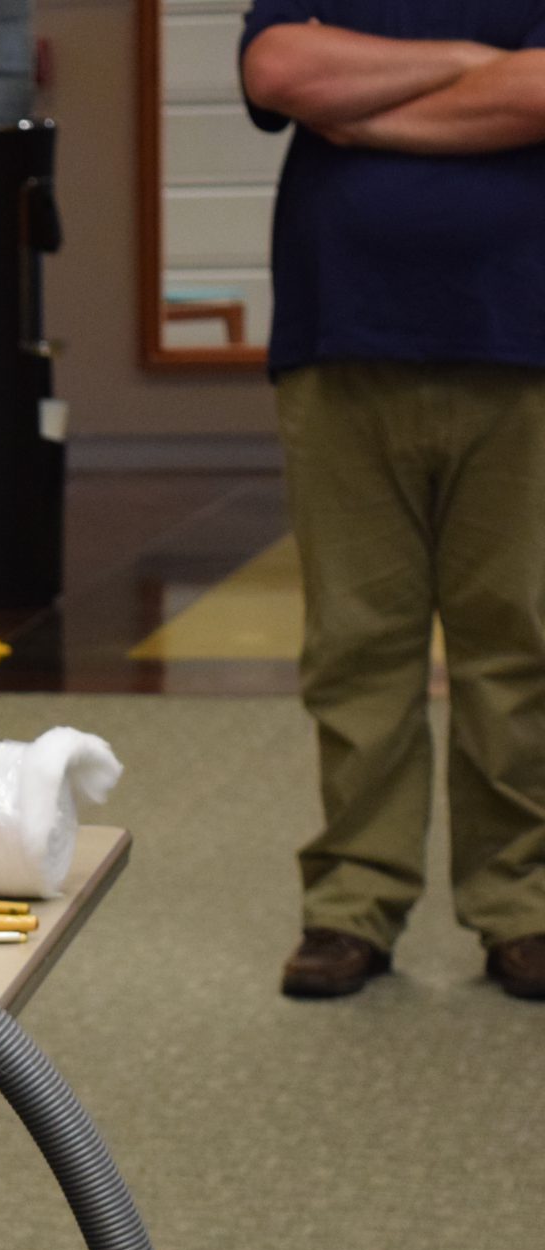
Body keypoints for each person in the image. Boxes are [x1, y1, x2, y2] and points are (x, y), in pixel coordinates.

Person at [240, 3, 545, 1000]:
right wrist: (471, 64)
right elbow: (283, 72)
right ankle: (350, 906)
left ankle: (523, 906)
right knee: (356, 643)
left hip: (521, 339)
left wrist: (364, 106)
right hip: (340, 339)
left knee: (519, 641)